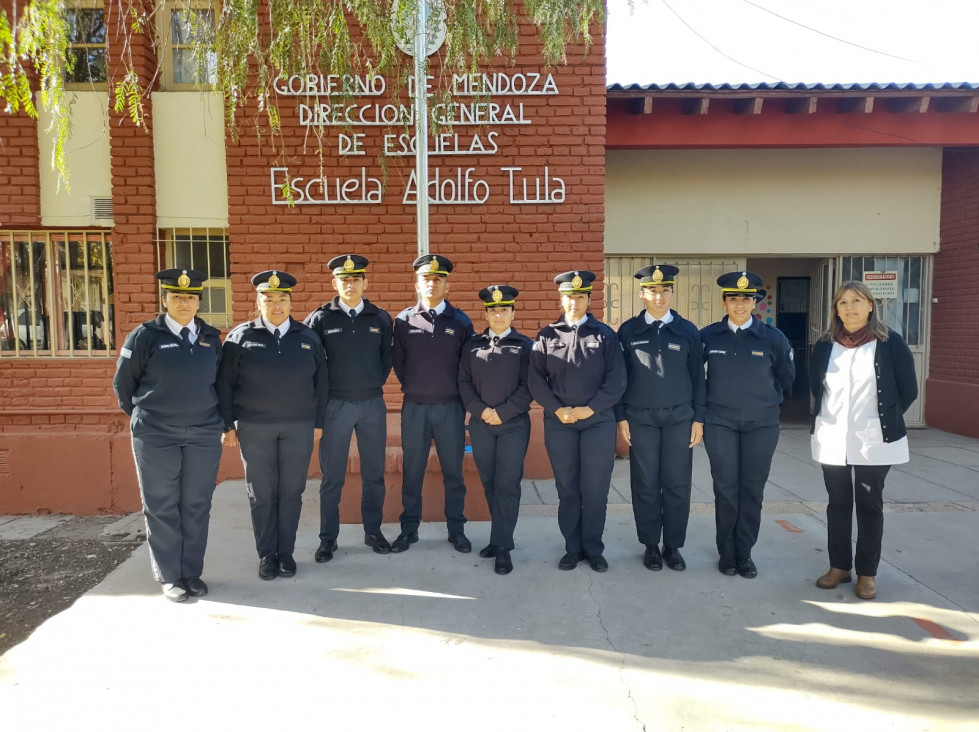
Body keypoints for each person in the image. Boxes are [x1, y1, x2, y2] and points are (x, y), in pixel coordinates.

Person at [113, 268, 223, 602]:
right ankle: (170, 576)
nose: (184, 303)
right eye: (176, 296)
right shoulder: (145, 336)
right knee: (161, 505)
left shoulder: (211, 338)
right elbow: (124, 385)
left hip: (203, 432)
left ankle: (191, 572)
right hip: (156, 433)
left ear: (199, 301)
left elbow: (220, 383)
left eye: (190, 297)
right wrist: (146, 418)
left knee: (196, 504)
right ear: (165, 300)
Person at [810, 281, 917, 600]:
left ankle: (867, 573)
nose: (850, 308)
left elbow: (907, 390)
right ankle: (839, 566)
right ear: (836, 309)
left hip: (875, 439)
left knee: (869, 505)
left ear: (871, 306)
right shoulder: (825, 345)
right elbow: (819, 388)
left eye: (857, 301)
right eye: (842, 302)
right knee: (837, 504)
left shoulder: (890, 343)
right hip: (832, 436)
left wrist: (881, 417)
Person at [217, 271, 328, 581]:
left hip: (299, 427)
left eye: (282, 299)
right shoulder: (241, 337)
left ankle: (286, 553)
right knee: (262, 493)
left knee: (292, 492)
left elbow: (322, 384)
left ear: (291, 302)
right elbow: (224, 385)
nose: (276, 305)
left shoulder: (308, 337)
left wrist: (318, 422)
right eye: (269, 300)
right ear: (258, 302)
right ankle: (267, 554)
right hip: (255, 427)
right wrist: (227, 424)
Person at [529, 270, 626, 572]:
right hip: (560, 422)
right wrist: (557, 409)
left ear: (588, 299)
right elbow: (535, 379)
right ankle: (572, 548)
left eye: (580, 296)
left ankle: (593, 549)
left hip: (597, 422)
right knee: (568, 488)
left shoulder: (605, 335)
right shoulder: (547, 335)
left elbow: (617, 381)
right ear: (561, 298)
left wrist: (591, 409)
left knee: (595, 489)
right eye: (569, 296)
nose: (574, 302)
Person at [701, 271, 794, 579]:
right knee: (726, 488)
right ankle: (727, 552)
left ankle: (745, 553)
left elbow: (787, 376)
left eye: (746, 299)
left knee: (752, 489)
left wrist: (763, 400)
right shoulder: (708, 336)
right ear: (724, 301)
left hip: (761, 424)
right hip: (720, 422)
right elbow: (692, 374)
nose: (740, 304)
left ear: (755, 302)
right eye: (733, 298)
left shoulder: (772, 338)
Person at [616, 265, 705, 573]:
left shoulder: (687, 330)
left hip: (680, 417)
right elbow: (619, 378)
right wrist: (620, 417)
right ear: (642, 294)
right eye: (652, 290)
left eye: (665, 290)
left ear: (671, 293)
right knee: (645, 483)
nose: (659, 296)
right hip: (640, 418)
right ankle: (651, 545)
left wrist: (699, 418)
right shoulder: (628, 331)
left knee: (678, 483)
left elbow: (698, 377)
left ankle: (673, 546)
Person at [304, 254, 394, 562]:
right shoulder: (320, 319)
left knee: (374, 473)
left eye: (356, 279)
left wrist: (370, 383)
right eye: (344, 279)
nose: (350, 284)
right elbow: (311, 364)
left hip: (371, 404)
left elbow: (386, 359)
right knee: (332, 476)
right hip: (335, 406)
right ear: (335, 283)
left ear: (365, 282)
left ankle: (373, 531)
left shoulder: (380, 318)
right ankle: (328, 538)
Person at [392, 254, 475, 553]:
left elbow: (467, 367)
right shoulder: (403, 321)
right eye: (426, 279)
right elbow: (399, 364)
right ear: (417, 284)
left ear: (446, 286)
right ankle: (409, 530)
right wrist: (416, 387)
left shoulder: (461, 321)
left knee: (453, 471)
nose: (431, 283)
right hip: (415, 407)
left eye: (437, 279)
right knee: (412, 471)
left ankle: (457, 530)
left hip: (450, 408)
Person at [458, 285, 533, 575]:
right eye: (493, 310)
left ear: (513, 312)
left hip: (513, 426)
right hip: (481, 425)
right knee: (489, 482)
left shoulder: (525, 346)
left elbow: (530, 387)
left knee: (507, 484)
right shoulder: (472, 346)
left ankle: (503, 546)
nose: (498, 314)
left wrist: (501, 412)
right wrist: (481, 411)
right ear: (486, 313)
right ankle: (497, 537)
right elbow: (463, 382)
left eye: (504, 309)